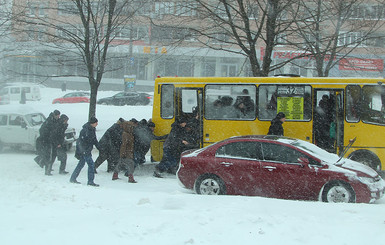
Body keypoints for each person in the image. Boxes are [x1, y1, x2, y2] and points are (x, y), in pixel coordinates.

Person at [70, 117, 100, 186]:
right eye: (96, 123)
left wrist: (99, 147)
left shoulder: (92, 129)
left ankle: (73, 178)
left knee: (81, 164)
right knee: (91, 165)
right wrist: (84, 150)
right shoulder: (86, 130)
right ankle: (90, 181)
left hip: (86, 150)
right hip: (85, 151)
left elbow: (94, 140)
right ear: (92, 123)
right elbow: (83, 141)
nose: (97, 124)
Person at [35, 109, 61, 175]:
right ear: (55, 115)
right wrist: (47, 138)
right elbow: (44, 131)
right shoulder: (49, 121)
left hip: (51, 140)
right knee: (48, 156)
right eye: (58, 116)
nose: (58, 117)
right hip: (47, 141)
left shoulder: (54, 121)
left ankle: (43, 163)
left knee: (51, 155)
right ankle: (47, 170)